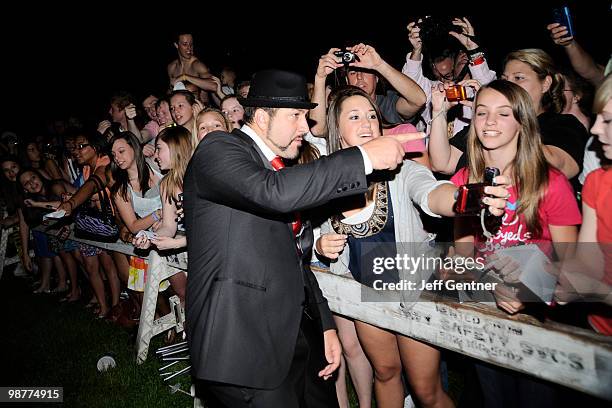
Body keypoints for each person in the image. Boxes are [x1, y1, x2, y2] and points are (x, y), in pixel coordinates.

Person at [183, 69, 420, 407]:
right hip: (244, 343)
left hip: (299, 332)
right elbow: (272, 193)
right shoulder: (220, 149)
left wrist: (325, 325)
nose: (305, 127)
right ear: (263, 117)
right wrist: (364, 157)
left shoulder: (283, 170)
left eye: (305, 117)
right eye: (295, 116)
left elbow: (295, 258)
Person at [310, 43, 426, 136]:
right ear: (347, 80)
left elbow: (419, 100)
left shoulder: (388, 103)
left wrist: (379, 65)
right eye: (353, 73)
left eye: (365, 72)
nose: (359, 77)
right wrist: (320, 78)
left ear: (376, 79)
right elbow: (318, 130)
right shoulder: (341, 107)